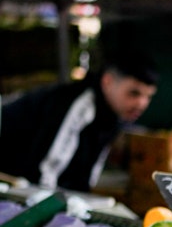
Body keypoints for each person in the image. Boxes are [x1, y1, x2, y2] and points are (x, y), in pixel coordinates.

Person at [0, 51, 158, 192]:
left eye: (148, 97)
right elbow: (45, 173)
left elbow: (88, 176)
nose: (142, 104)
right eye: (134, 93)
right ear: (108, 81)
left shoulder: (114, 115)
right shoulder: (76, 104)